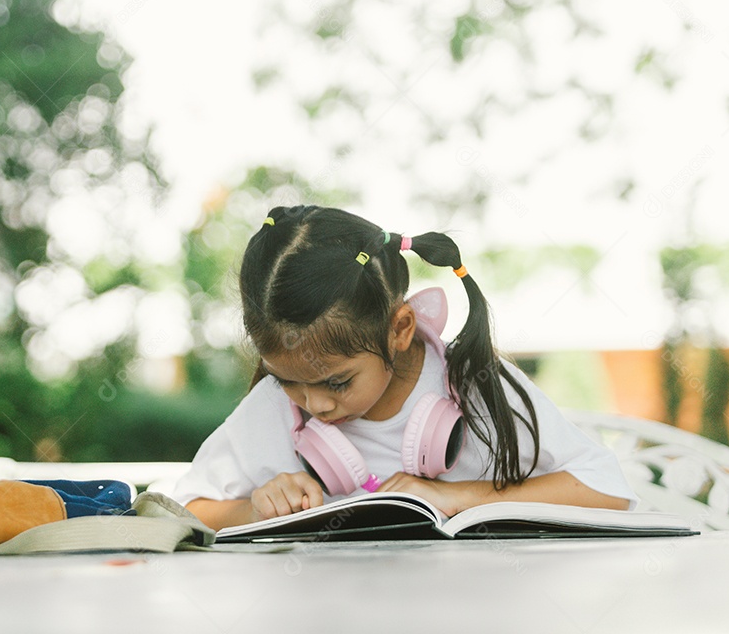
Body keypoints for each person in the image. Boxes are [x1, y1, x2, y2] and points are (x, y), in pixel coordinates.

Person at [174, 205, 637, 531]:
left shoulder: (473, 385)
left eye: (337, 381)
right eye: (288, 380)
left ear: (400, 329)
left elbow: (605, 489)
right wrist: (256, 509)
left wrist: (456, 498)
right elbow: (181, 510)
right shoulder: (275, 408)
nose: (314, 404)